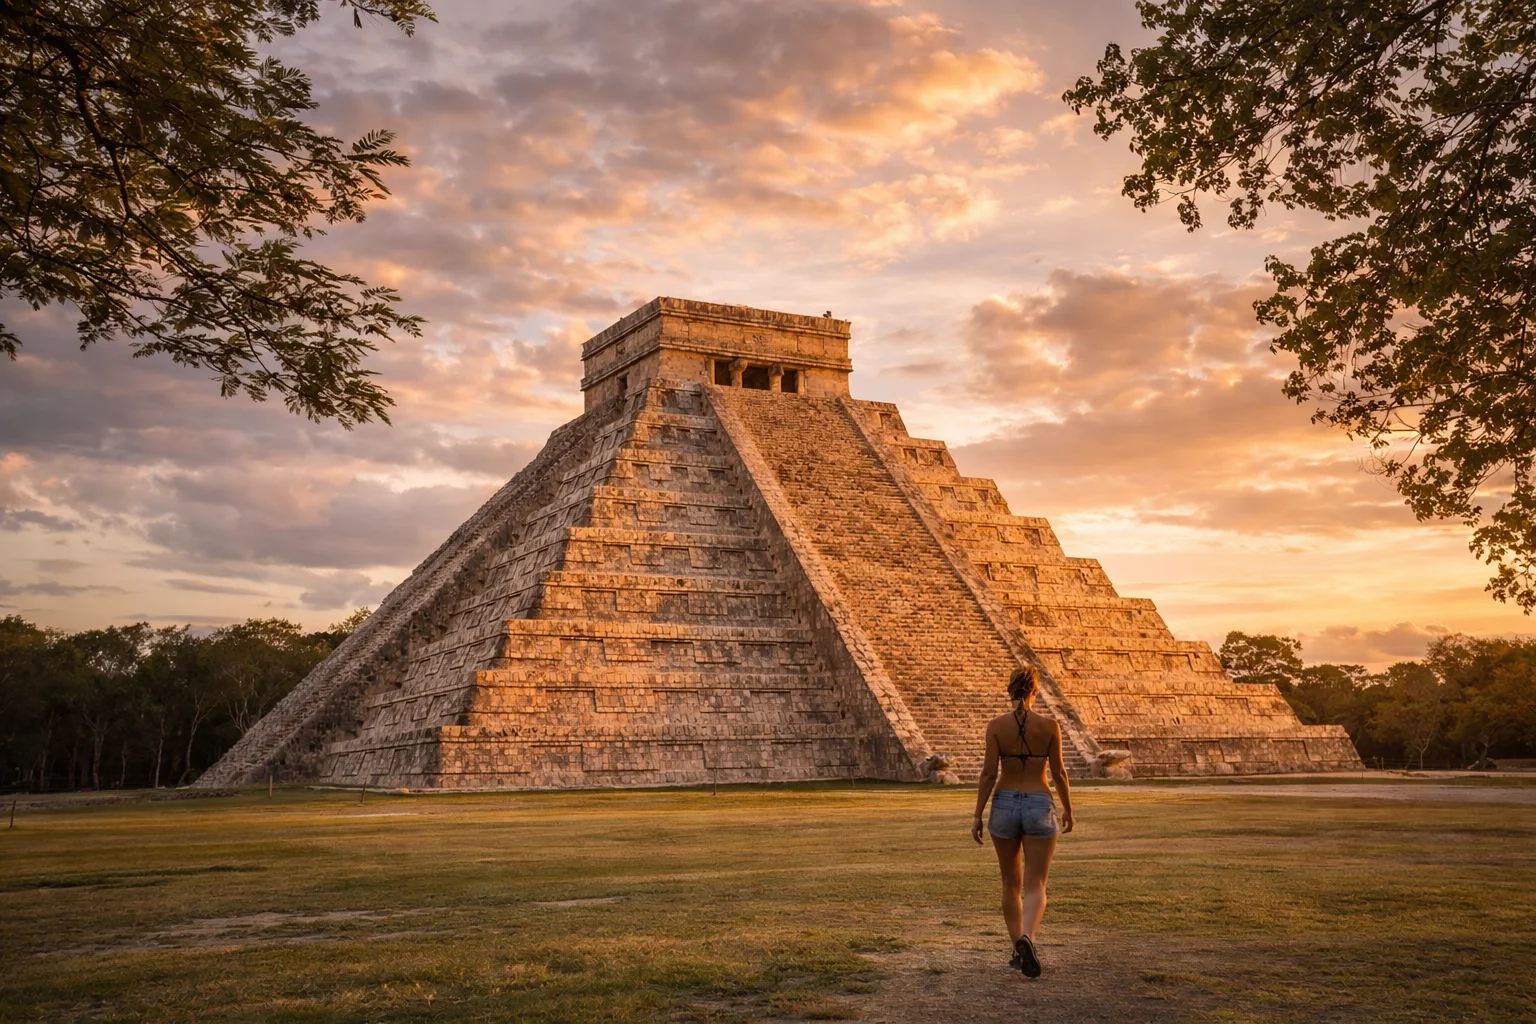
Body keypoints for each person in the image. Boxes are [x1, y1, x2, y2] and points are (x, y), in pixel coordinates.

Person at [971, 665, 1075, 978]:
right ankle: (1028, 937)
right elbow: (1058, 773)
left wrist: (977, 814)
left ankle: (1017, 945)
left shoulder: (996, 726)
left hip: (1003, 802)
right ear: (1034, 691)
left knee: (1009, 883)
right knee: (1036, 884)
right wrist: (1068, 808)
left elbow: (989, 773)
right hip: (1038, 801)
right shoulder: (1049, 726)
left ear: (1010, 690)